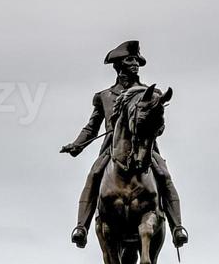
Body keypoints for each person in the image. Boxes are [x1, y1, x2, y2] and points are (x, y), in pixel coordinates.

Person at [61, 40, 188, 250]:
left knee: (164, 176)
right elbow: (92, 127)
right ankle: (81, 227)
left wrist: (154, 127)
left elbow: (159, 125)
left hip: (144, 147)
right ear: (119, 65)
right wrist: (77, 145)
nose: (135, 64)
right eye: (130, 60)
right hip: (113, 148)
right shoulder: (104, 96)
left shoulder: (150, 93)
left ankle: (177, 228)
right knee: (94, 175)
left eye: (137, 60)